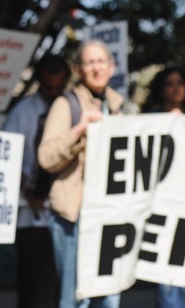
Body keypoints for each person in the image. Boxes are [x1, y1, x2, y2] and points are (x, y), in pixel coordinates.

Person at [38, 40, 125, 308]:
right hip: (73, 217)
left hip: (109, 217)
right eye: (90, 62)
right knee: (75, 298)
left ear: (112, 68)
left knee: (109, 297)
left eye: (101, 62)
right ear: (78, 69)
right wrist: (79, 130)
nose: (97, 68)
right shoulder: (67, 105)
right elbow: (46, 158)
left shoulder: (119, 107)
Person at [4, 54, 71, 308]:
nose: (53, 93)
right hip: (31, 213)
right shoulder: (24, 111)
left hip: (63, 210)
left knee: (60, 287)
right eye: (48, 87)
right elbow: (9, 155)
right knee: (34, 288)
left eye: (58, 88)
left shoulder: (69, 109)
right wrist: (27, 189)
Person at [141, 66, 185, 308]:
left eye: (180, 83)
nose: (175, 88)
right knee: (166, 273)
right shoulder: (150, 120)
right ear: (161, 89)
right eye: (169, 83)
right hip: (162, 205)